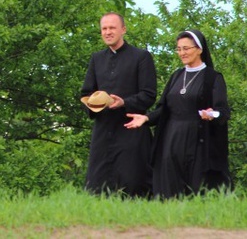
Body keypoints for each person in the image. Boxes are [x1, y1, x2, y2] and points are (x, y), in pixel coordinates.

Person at [125, 30, 232, 198]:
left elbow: (223, 112)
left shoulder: (213, 78)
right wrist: (146, 118)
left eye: (186, 48)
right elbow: (164, 110)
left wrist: (212, 114)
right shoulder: (176, 76)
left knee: (198, 188)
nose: (182, 53)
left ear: (199, 49)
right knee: (169, 186)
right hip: (171, 138)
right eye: (179, 49)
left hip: (198, 140)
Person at [80, 12, 157, 197]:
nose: (107, 32)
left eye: (112, 28)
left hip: (131, 129)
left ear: (123, 29)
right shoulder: (96, 58)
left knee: (133, 184)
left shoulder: (141, 57)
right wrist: (95, 103)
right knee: (97, 186)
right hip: (103, 130)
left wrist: (124, 102)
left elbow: (149, 95)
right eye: (104, 29)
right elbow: (85, 93)